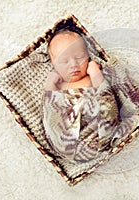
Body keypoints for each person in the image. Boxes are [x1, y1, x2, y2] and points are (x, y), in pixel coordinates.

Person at [42, 29, 120, 163]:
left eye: (79, 57)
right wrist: (50, 84)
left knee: (105, 105)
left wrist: (95, 72)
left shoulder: (90, 77)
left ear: (88, 56)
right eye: (64, 61)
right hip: (68, 140)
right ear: (53, 65)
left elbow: (106, 95)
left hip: (98, 132)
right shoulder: (58, 86)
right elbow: (51, 109)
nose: (73, 64)